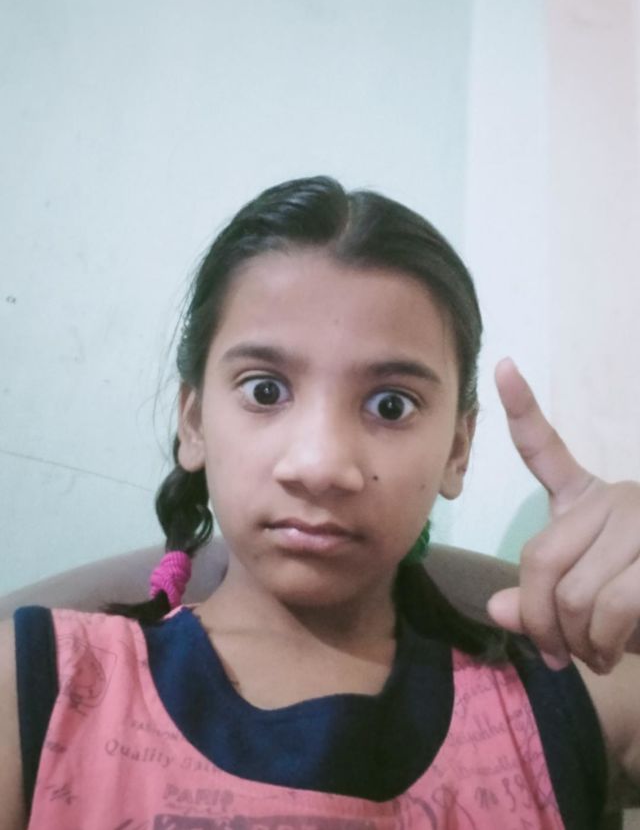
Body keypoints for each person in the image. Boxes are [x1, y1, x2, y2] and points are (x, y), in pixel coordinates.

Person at [1, 175, 639, 829]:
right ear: (193, 422)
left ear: (457, 447)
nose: (321, 466)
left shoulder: (559, 704)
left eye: (390, 405)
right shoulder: (37, 688)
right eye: (265, 391)